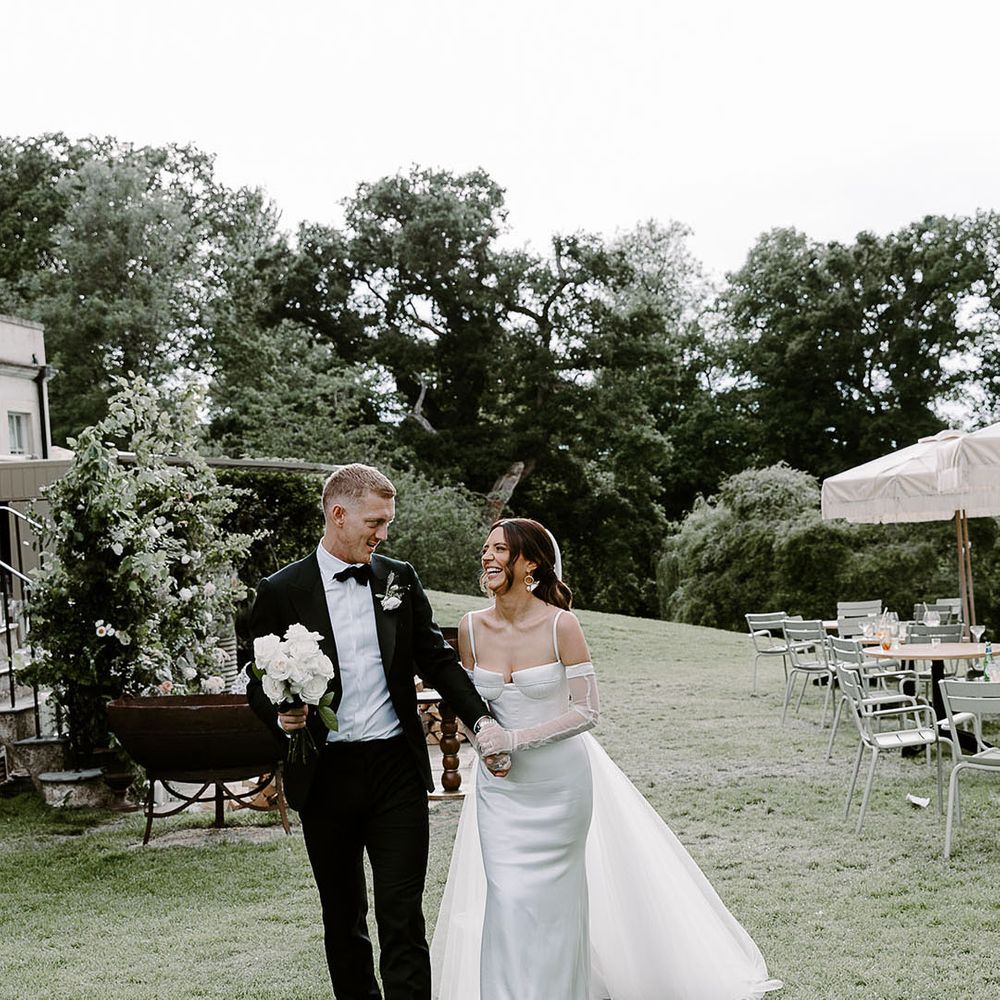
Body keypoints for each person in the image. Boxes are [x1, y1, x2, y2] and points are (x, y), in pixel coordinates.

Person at [430, 518, 783, 1000]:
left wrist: (513, 740)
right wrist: (483, 745)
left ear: (530, 562)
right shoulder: (470, 626)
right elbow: (474, 709)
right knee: (507, 899)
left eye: (499, 550)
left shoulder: (561, 624)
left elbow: (586, 711)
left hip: (558, 786)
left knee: (555, 903)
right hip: (502, 791)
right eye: (485, 550)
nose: (487, 558)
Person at [246, 463, 497, 1000]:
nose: (383, 533)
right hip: (326, 774)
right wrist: (282, 716)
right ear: (339, 515)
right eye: (376, 521)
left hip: (395, 772)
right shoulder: (280, 590)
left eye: (386, 522)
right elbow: (257, 681)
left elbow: (437, 657)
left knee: (402, 914)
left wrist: (481, 721)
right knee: (343, 918)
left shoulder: (398, 578)